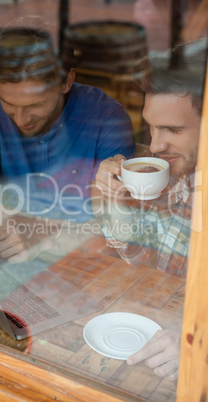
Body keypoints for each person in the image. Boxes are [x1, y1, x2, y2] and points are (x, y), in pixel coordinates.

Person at [0, 27, 135, 263]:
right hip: (7, 254)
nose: (20, 119)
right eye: (8, 103)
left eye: (34, 105)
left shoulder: (107, 118)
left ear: (67, 81)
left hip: (80, 261)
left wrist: (41, 235)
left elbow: (110, 229)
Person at [95, 41, 207, 381]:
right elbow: (142, 262)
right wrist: (116, 202)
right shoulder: (179, 178)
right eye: (152, 126)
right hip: (152, 345)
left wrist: (199, 341)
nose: (155, 145)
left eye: (173, 130)